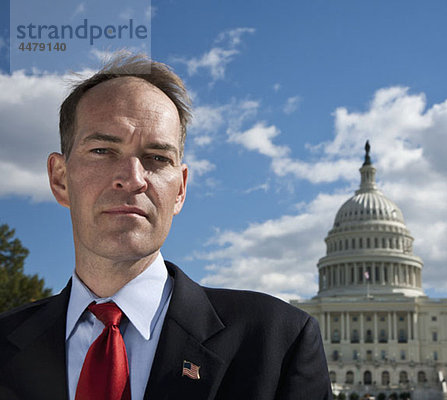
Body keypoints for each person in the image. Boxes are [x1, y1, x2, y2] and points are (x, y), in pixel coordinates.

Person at [0, 53, 332, 400]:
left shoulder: (277, 343)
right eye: (102, 150)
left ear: (181, 190)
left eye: (157, 158)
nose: (132, 179)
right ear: (60, 178)